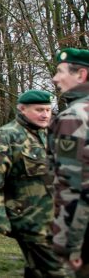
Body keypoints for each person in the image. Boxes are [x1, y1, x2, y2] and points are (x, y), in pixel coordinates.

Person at [0, 89, 66, 277]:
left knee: (37, 270)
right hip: (27, 220)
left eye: (48, 110)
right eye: (39, 110)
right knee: (58, 270)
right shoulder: (7, 136)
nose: (45, 115)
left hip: (54, 218)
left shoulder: (50, 134)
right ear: (22, 109)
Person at [49, 48, 89, 275]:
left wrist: (71, 244)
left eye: (60, 71)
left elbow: (71, 186)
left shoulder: (74, 117)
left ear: (81, 75)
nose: (55, 78)